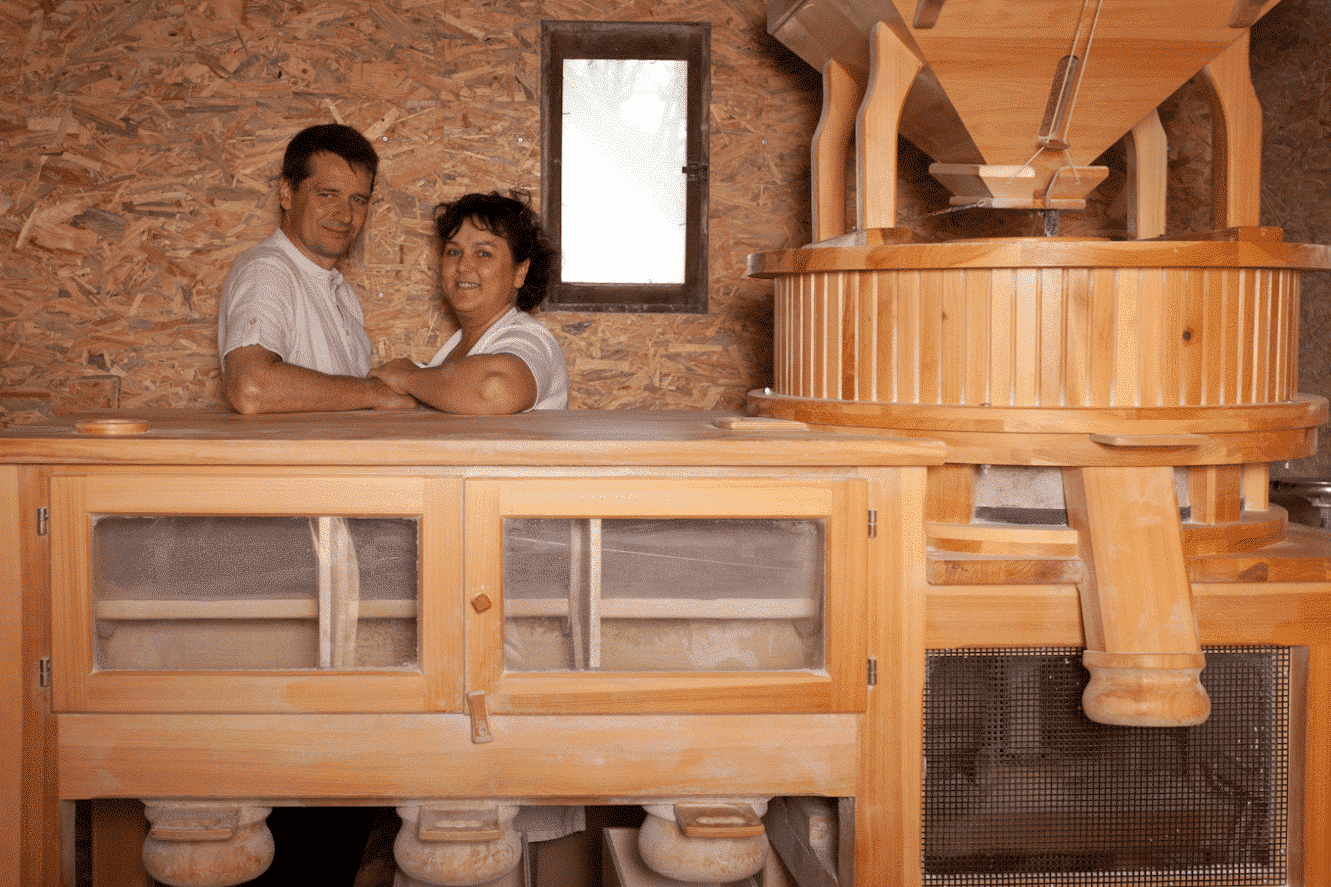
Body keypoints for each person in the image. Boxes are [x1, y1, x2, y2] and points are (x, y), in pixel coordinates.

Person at [217, 123, 418, 414]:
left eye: (357, 200)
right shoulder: (268, 270)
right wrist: (374, 393)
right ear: (287, 193)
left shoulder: (341, 292)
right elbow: (250, 387)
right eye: (327, 194)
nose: (345, 215)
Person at [369, 191, 568, 413]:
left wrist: (408, 378)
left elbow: (494, 389)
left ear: (520, 272)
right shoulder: (452, 352)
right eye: (453, 252)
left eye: (483, 254)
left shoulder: (531, 340)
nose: (462, 266)